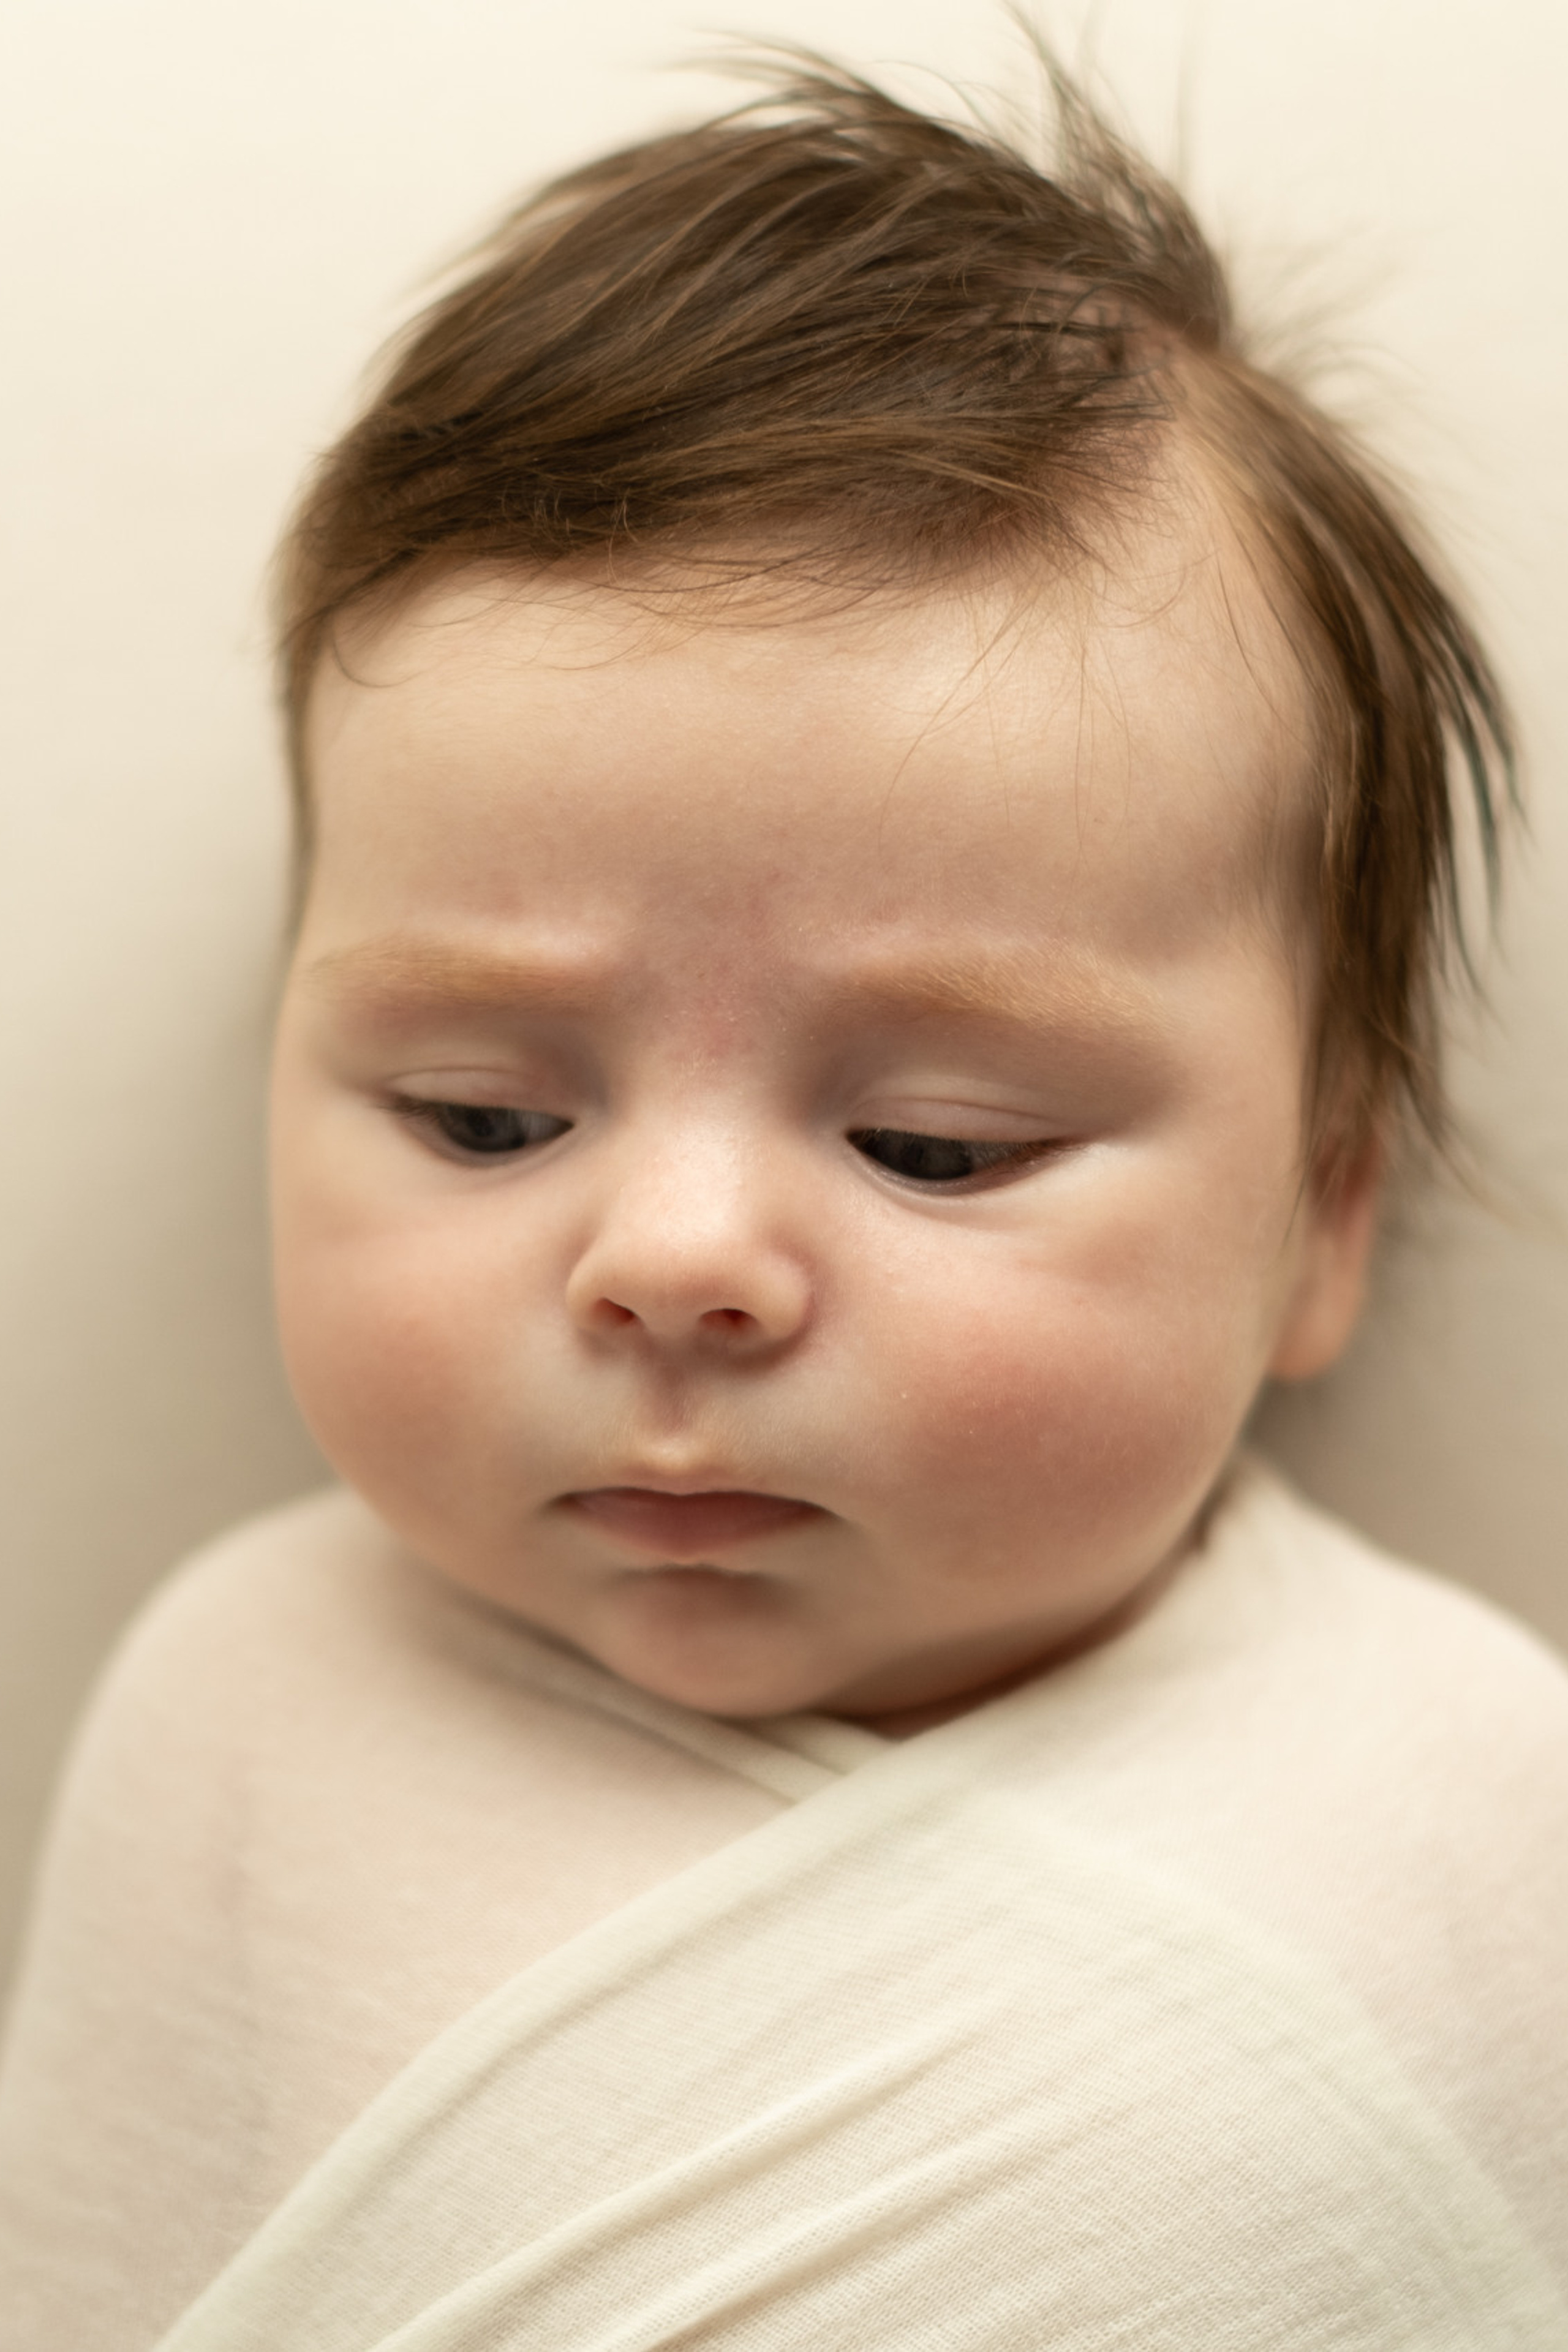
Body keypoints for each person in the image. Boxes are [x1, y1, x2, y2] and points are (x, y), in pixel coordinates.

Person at [1, 48, 1565, 2352]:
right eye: (481, 1117)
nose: (673, 1264)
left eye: (937, 1144)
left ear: (1323, 1217)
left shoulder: (1475, 1806)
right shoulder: (239, 1708)